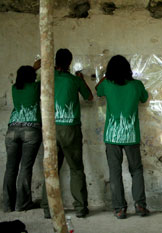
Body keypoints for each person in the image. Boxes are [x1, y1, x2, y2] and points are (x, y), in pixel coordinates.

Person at [95, 55, 150, 219]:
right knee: (137, 170)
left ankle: (119, 209)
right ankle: (140, 205)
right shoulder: (136, 85)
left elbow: (97, 91)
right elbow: (144, 98)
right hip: (131, 136)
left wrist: (105, 76)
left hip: (112, 136)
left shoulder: (106, 84)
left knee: (115, 172)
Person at [41, 48, 93, 218]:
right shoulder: (74, 80)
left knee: (51, 169)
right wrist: (82, 80)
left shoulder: (47, 78)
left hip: (50, 128)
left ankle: (48, 209)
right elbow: (89, 97)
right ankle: (80, 208)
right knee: (76, 169)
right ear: (69, 62)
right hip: (70, 128)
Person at [3, 61, 42, 212]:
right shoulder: (35, 87)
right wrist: (37, 67)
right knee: (25, 168)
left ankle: (7, 205)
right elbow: (44, 79)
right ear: (32, 76)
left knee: (10, 168)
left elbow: (24, 76)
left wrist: (32, 67)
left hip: (12, 130)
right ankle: (22, 204)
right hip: (31, 130)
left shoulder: (15, 88)